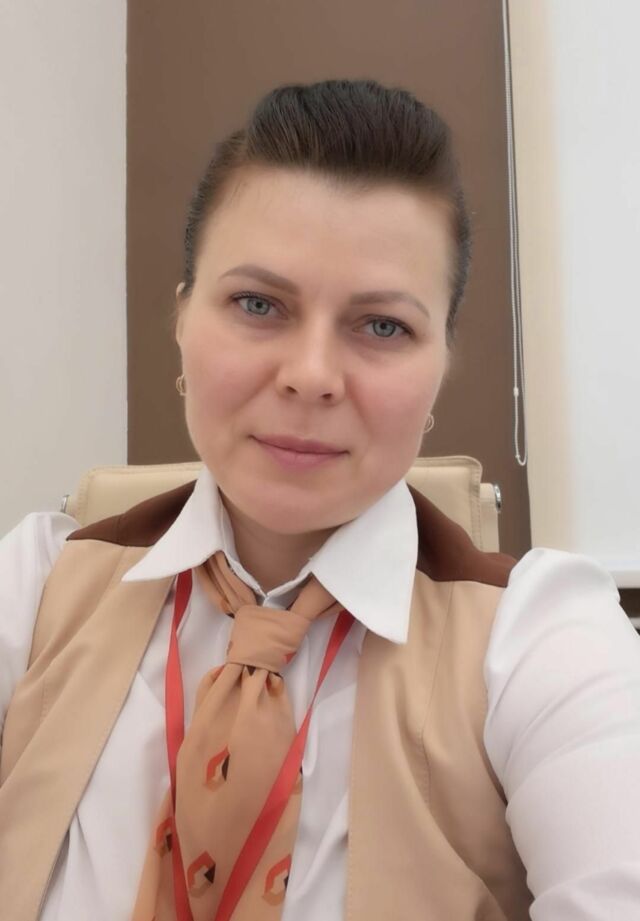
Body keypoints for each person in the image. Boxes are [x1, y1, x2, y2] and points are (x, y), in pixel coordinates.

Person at [1, 78, 639, 921]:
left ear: (441, 362)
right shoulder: (37, 584)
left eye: (383, 325)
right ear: (183, 321)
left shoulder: (542, 638)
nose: (310, 375)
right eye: (257, 304)